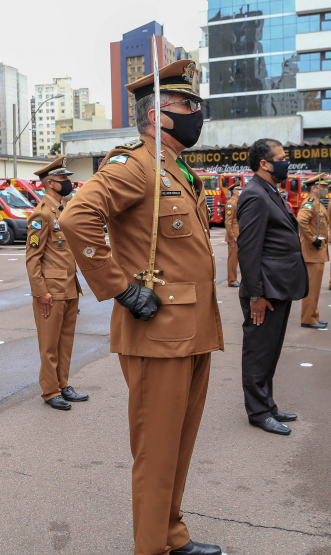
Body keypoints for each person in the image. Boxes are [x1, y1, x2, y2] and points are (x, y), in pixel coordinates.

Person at [60, 59, 225, 555]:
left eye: (196, 104)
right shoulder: (134, 164)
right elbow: (76, 218)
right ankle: (152, 548)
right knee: (156, 453)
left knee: (178, 447)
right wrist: (119, 287)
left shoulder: (175, 168)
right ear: (157, 115)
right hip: (158, 334)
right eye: (187, 105)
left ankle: (171, 535)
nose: (197, 112)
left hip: (191, 328)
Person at [236, 138, 308, 436]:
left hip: (279, 287)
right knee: (258, 351)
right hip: (264, 290)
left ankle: (268, 402)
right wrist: (256, 294)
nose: (285, 162)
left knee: (271, 350)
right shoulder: (254, 195)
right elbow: (248, 250)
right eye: (280, 157)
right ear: (264, 163)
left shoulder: (270, 191)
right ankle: (259, 412)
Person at [26, 156, 87, 411]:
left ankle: (63, 384)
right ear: (50, 183)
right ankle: (50, 391)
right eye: (63, 179)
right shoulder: (41, 215)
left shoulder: (62, 211)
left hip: (69, 287)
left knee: (65, 341)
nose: (68, 183)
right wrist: (41, 293)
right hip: (51, 291)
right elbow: (32, 258)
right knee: (49, 344)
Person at [297, 175, 329, 329]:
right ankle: (309, 319)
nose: (326, 189)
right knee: (312, 289)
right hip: (312, 252)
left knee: (315, 289)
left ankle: (313, 316)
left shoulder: (317, 203)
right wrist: (312, 238)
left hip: (317, 252)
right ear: (314, 188)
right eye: (323, 187)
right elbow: (301, 220)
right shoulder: (310, 203)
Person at [225, 184, 241, 287]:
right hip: (234, 236)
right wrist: (231, 237)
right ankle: (232, 280)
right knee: (233, 259)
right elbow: (228, 222)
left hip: (239, 234)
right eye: (239, 189)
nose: (241, 191)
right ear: (234, 191)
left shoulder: (238, 202)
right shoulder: (231, 204)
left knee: (239, 258)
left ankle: (235, 279)